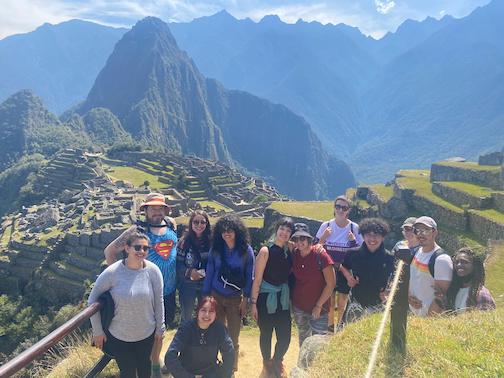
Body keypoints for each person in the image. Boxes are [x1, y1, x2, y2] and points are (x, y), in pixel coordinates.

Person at [104, 192, 178, 376]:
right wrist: (120, 278)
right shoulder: (136, 231)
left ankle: (154, 362)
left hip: (168, 290)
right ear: (145, 210)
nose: (157, 212)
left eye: (160, 208)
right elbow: (110, 251)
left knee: (162, 327)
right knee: (146, 331)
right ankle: (147, 367)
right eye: (153, 208)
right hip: (144, 294)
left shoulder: (171, 225)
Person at [89, 232, 165, 378]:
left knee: (145, 371)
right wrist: (97, 331)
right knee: (128, 373)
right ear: (127, 248)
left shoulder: (153, 271)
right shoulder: (112, 273)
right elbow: (92, 300)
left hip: (146, 334)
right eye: (137, 247)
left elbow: (158, 301)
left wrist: (160, 328)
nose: (142, 251)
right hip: (120, 336)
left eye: (145, 248)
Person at [202, 214, 255, 372]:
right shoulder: (216, 250)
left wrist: (245, 300)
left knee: (233, 335)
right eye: (224, 230)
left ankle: (230, 368)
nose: (227, 233)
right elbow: (210, 272)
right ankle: (212, 364)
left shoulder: (246, 251)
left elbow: (249, 276)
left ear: (237, 231)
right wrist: (206, 297)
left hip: (234, 298)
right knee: (215, 331)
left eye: (230, 229)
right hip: (216, 295)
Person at [250, 217, 295, 378]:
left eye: (288, 230)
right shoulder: (265, 251)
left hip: (282, 298)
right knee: (266, 334)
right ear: (276, 229)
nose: (284, 232)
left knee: (285, 336)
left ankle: (277, 360)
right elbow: (257, 279)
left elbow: (309, 246)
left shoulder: (289, 249)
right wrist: (253, 303)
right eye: (282, 228)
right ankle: (267, 363)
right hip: (265, 298)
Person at [314, 196, 363, 331]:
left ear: (349, 210)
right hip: (328, 269)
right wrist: (323, 238)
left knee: (342, 301)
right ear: (334, 208)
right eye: (338, 207)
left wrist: (353, 241)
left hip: (346, 270)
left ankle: (340, 327)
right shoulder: (326, 226)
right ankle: (330, 328)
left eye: (344, 207)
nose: (340, 210)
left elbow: (361, 251)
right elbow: (315, 248)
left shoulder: (354, 227)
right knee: (329, 301)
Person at [164, 296, 235, 378]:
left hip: (211, 374)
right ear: (198, 311)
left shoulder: (220, 329)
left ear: (216, 314)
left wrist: (222, 375)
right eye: (203, 310)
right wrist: (187, 376)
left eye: (211, 311)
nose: (207, 315)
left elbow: (230, 353)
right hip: (188, 372)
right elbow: (170, 356)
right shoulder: (186, 328)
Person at [341, 218, 394, 323]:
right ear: (363, 236)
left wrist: (389, 290)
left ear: (383, 237)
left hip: (379, 303)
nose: (372, 239)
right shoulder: (352, 254)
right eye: (368, 235)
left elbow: (397, 276)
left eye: (376, 235)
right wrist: (349, 278)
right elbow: (343, 266)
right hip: (356, 301)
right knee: (349, 334)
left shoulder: (390, 258)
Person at [291, 223, 335, 348]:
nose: (299, 242)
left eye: (302, 238)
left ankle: (315, 368)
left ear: (309, 239)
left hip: (319, 309)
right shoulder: (294, 254)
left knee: (318, 343)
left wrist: (318, 305)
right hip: (299, 306)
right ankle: (303, 366)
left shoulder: (320, 256)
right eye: (296, 239)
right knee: (303, 339)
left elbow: (331, 284)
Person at [408, 216, 453, 317]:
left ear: (435, 232)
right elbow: (412, 279)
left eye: (426, 230)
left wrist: (428, 322)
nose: (420, 234)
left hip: (429, 318)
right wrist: (409, 298)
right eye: (417, 231)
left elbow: (441, 297)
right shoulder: (416, 252)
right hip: (414, 315)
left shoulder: (441, 260)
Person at [390, 217, 419, 351]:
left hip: (414, 289)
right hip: (399, 288)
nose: (408, 232)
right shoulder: (399, 245)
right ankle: (396, 344)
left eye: (412, 229)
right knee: (397, 317)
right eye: (406, 229)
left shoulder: (422, 250)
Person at [177, 210, 212, 322]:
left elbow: (216, 263)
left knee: (205, 315)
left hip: (206, 285)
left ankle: (203, 339)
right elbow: (178, 264)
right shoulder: (184, 242)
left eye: (203, 222)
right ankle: (186, 338)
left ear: (207, 224)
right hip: (188, 285)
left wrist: (204, 273)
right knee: (186, 317)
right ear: (191, 224)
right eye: (196, 222)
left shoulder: (212, 242)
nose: (199, 225)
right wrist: (189, 272)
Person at [441, 247, 496, 313]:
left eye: (464, 262)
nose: (459, 265)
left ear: (474, 266)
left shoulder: (481, 294)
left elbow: (485, 321)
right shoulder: (452, 292)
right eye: (456, 262)